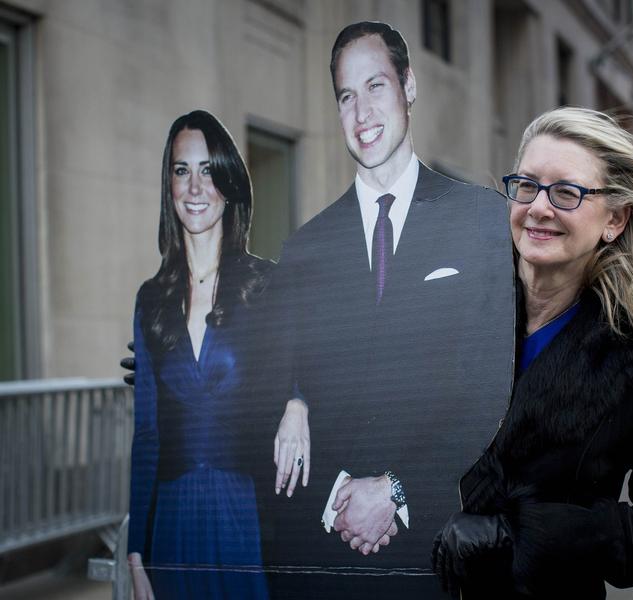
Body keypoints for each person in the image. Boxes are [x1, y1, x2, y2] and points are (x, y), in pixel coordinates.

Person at [257, 21, 514, 598]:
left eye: (375, 86)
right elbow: (273, 382)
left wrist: (398, 490)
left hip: (441, 551)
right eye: (346, 96)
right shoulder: (304, 249)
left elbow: (492, 389)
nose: (362, 112)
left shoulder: (481, 220)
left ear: (409, 85)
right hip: (328, 552)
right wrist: (299, 411)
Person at [432, 107, 633, 600]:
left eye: (566, 193)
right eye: (526, 186)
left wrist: (529, 534)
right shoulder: (447, 306)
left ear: (614, 219)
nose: (539, 208)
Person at [128, 110, 270, 599]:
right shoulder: (151, 300)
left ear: (228, 183)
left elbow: (303, 369)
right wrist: (135, 553)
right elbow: (146, 435)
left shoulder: (264, 286)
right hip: (173, 523)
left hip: (245, 518)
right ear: (168, 185)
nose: (194, 187)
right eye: (181, 170)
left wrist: (298, 402)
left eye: (208, 170)